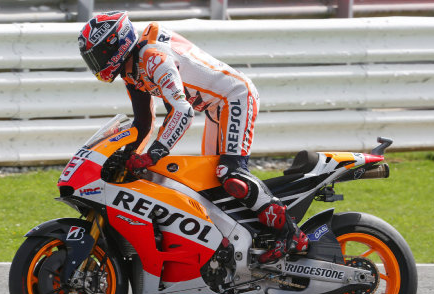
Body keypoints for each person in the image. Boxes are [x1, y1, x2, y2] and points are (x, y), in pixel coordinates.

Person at [78, 11, 307, 263]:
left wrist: (152, 155)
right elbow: (143, 123)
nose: (96, 63)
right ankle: (247, 238)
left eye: (98, 55)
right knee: (209, 181)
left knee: (228, 173)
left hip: (235, 96)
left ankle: (290, 232)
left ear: (117, 45)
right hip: (214, 107)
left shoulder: (153, 59)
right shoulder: (131, 73)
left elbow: (182, 111)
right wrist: (127, 155)